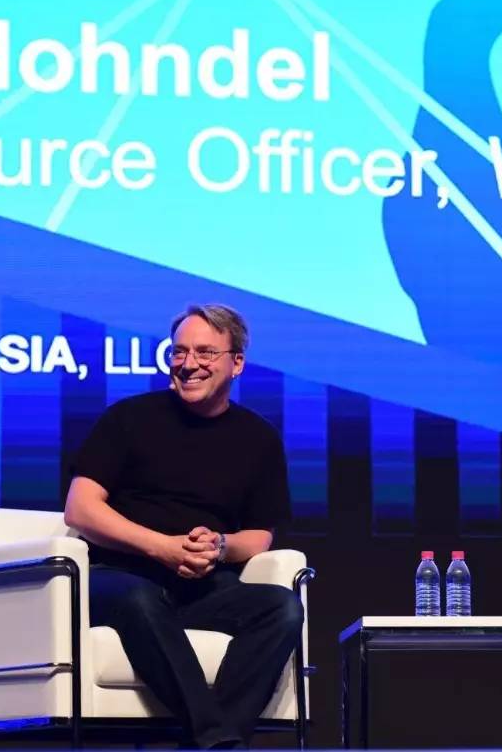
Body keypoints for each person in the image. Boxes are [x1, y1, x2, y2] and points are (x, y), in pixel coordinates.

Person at [64, 304, 302, 750]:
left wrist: (219, 546)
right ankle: (216, 740)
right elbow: (80, 508)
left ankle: (207, 743)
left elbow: (258, 536)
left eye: (205, 352)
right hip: (118, 578)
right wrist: (160, 547)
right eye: (179, 352)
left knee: (281, 607)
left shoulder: (259, 439)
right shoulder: (129, 418)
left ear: (236, 363)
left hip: (200, 586)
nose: (188, 364)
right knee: (139, 597)